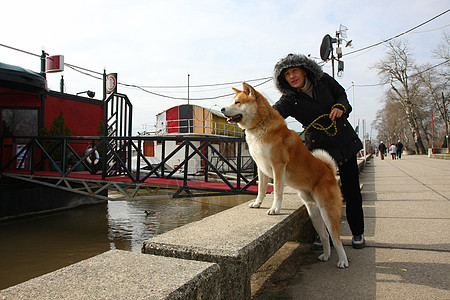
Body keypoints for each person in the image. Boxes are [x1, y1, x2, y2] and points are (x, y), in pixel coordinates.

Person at [272, 53, 365, 249]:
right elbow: (273, 114)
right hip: (317, 148)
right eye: (287, 74)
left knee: (351, 190)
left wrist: (341, 107)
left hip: (343, 142)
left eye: (294, 71)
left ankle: (357, 233)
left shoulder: (324, 81)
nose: (292, 77)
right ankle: (325, 237)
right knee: (316, 194)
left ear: (304, 70)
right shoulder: (289, 98)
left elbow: (342, 95)